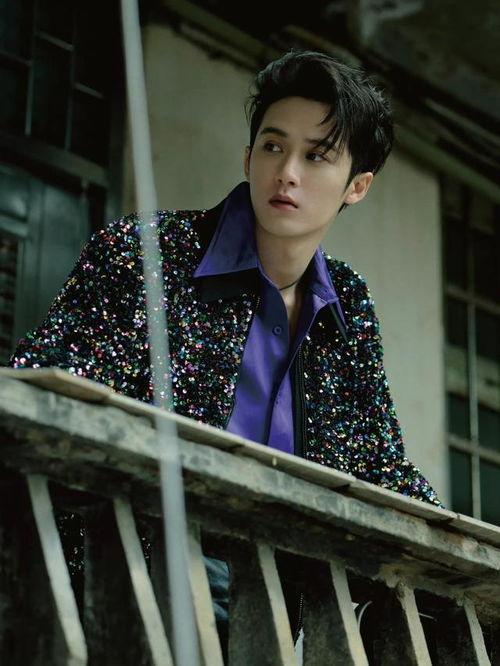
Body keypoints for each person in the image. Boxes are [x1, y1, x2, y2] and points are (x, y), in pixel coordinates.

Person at [10, 49, 441, 656]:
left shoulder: (348, 302)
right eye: (272, 146)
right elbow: (41, 386)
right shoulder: (145, 252)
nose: (286, 172)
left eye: (317, 156)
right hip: (120, 584)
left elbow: (380, 464)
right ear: (247, 156)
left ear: (357, 186)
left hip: (271, 608)